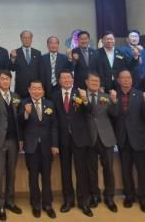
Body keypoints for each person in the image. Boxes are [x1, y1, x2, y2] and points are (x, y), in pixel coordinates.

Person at [50, 69, 93, 216]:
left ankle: (83, 201)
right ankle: (68, 200)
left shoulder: (80, 93)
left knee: (82, 171)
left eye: (69, 78)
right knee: (65, 171)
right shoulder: (54, 96)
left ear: (73, 79)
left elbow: (90, 111)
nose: (67, 80)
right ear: (59, 80)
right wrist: (55, 143)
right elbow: (54, 121)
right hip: (63, 139)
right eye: (63, 78)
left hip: (80, 138)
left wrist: (85, 99)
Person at [109, 69, 145, 213]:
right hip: (123, 139)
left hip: (140, 139)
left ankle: (143, 198)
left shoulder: (141, 95)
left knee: (142, 171)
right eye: (123, 78)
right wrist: (113, 101)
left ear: (132, 80)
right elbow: (113, 115)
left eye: (128, 78)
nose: (126, 80)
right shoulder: (114, 95)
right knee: (126, 171)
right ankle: (129, 196)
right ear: (118, 80)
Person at [0, 70, 23, 221]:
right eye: (2, 79)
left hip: (13, 141)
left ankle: (10, 201)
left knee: (11, 174)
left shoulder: (16, 97)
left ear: (10, 80)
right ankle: (0, 205)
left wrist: (21, 139)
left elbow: (19, 118)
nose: (5, 81)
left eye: (8, 79)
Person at [19, 81, 58, 219]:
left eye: (39, 88)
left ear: (43, 91)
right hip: (31, 146)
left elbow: (54, 126)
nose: (36, 91)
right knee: (33, 177)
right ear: (29, 90)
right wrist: (26, 113)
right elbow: (20, 124)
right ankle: (35, 204)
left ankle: (47, 204)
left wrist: (55, 144)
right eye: (34, 88)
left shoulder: (50, 104)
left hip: (47, 147)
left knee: (47, 176)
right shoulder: (24, 103)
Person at [83, 72, 118, 212]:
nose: (95, 83)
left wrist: (114, 101)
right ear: (86, 82)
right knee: (91, 170)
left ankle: (109, 197)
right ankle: (95, 195)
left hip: (106, 137)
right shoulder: (80, 97)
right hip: (89, 138)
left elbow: (115, 114)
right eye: (92, 81)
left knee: (108, 169)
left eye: (97, 81)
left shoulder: (106, 97)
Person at [9, 30, 41, 99]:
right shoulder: (15, 52)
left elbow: (40, 71)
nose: (27, 40)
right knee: (19, 105)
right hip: (20, 88)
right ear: (21, 39)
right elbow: (12, 68)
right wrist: (13, 58)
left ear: (31, 39)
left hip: (34, 88)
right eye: (24, 38)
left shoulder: (37, 53)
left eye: (29, 38)